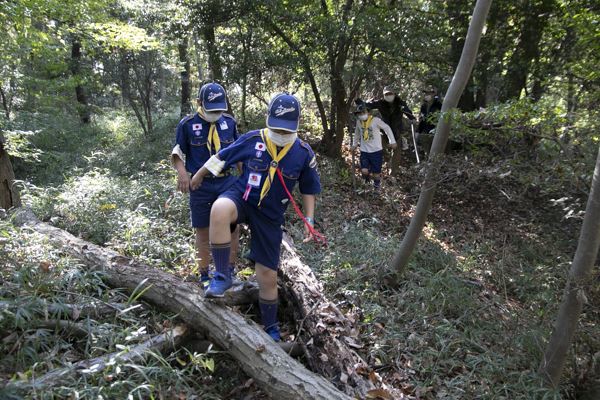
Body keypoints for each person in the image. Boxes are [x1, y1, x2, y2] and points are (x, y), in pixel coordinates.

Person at [190, 93, 321, 341]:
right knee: (219, 209)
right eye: (276, 128)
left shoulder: (303, 152)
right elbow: (223, 157)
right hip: (243, 197)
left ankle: (270, 326)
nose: (280, 134)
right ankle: (222, 276)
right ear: (267, 120)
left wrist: (309, 221)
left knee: (267, 276)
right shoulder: (253, 139)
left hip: (270, 214)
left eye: (286, 130)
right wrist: (198, 174)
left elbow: (309, 188)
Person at [171, 82, 240, 286]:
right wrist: (182, 173)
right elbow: (177, 152)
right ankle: (204, 274)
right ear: (200, 103)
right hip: (200, 186)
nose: (216, 113)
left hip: (227, 181)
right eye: (212, 109)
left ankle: (229, 271)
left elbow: (238, 152)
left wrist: (244, 180)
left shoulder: (229, 122)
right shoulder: (187, 124)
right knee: (202, 230)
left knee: (233, 227)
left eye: (219, 109)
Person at [351, 103, 397, 191]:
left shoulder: (376, 121)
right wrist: (354, 144)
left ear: (368, 112)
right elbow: (357, 134)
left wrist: (393, 141)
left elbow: (387, 128)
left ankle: (376, 188)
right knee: (364, 170)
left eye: (363, 112)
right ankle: (366, 186)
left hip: (376, 151)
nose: (361, 115)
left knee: (376, 173)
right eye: (359, 114)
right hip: (364, 151)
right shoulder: (359, 122)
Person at [359, 86, 416, 152]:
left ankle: (400, 147)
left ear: (394, 94)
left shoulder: (400, 103)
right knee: (381, 147)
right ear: (383, 95)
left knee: (397, 150)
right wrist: (358, 100)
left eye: (390, 94)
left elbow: (407, 112)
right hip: (385, 130)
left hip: (397, 130)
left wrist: (412, 118)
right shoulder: (380, 103)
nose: (388, 96)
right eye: (386, 94)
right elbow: (368, 105)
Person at [417, 86, 443, 154]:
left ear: (434, 94)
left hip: (435, 132)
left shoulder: (439, 105)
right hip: (425, 132)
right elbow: (421, 120)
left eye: (429, 93)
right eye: (426, 93)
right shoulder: (423, 106)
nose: (427, 95)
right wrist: (418, 131)